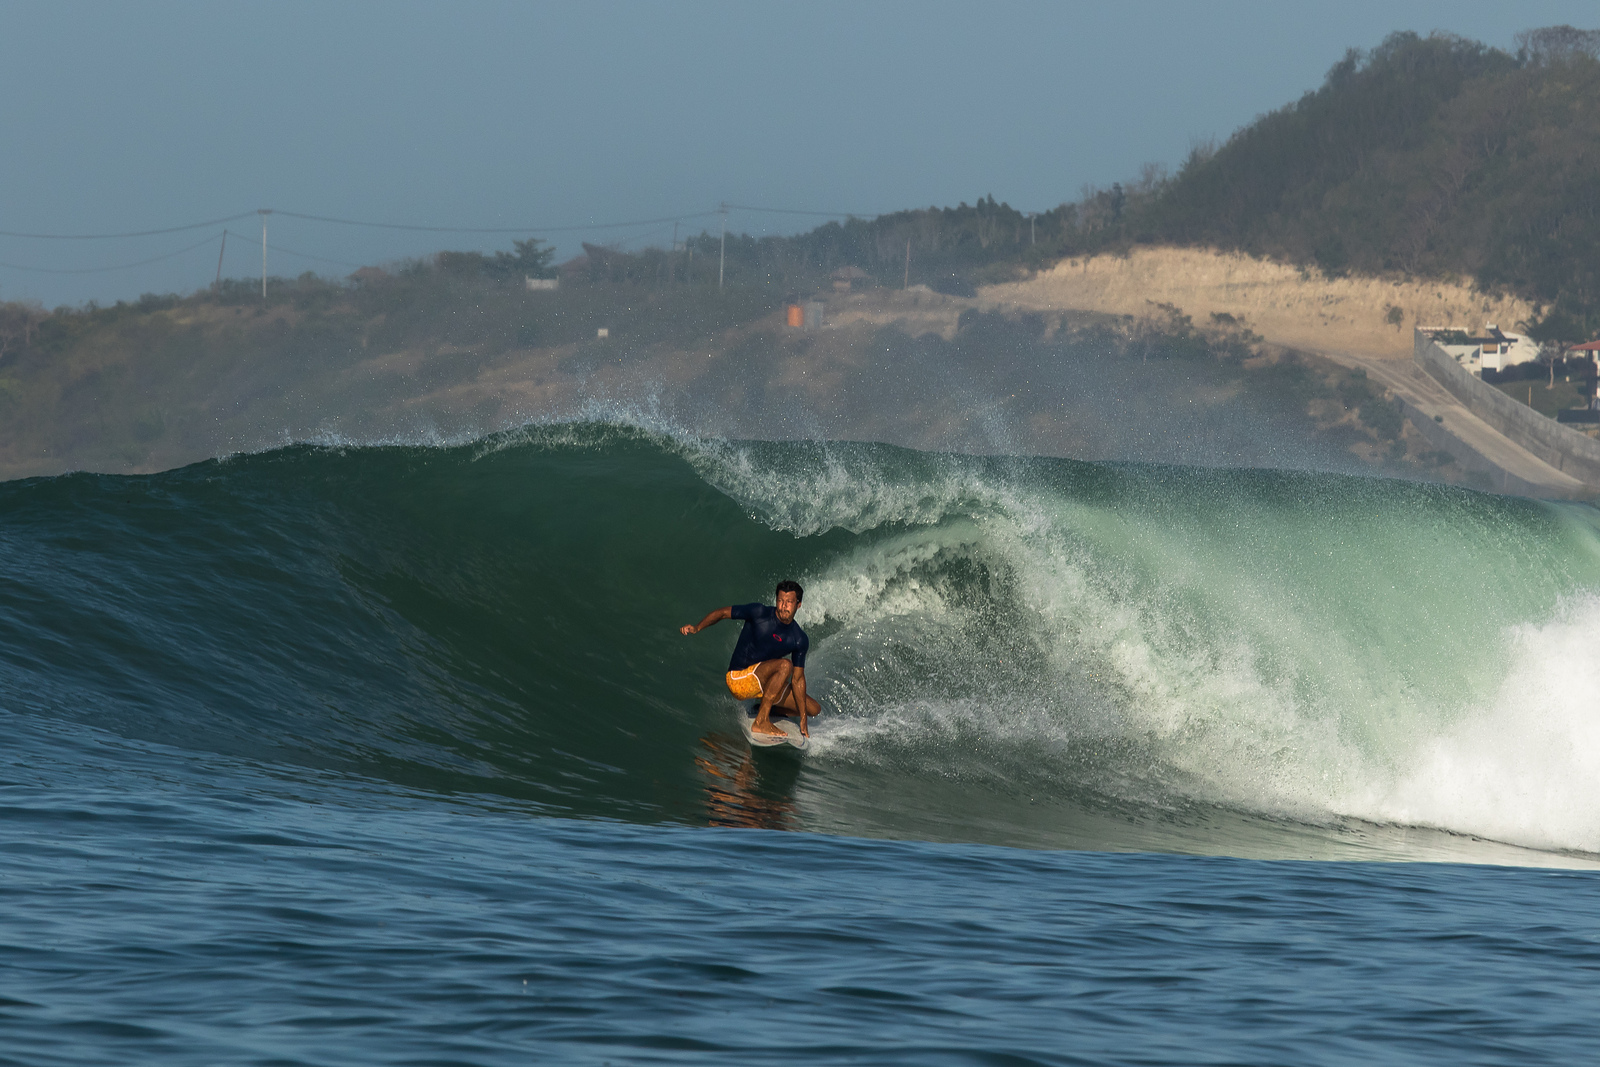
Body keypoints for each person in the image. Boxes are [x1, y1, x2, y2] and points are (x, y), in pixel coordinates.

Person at [680, 580, 819, 739]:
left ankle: (766, 709)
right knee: (785, 665)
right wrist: (697, 627)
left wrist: (803, 718)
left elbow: (798, 679)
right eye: (780, 600)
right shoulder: (759, 612)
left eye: (789, 602)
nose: (783, 606)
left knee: (813, 709)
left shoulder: (799, 639)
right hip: (738, 679)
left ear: (798, 605)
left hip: (764, 683)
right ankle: (761, 721)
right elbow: (723, 613)